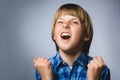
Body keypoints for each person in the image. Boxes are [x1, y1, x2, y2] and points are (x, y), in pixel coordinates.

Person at [33, 3, 110, 80]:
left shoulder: (100, 70)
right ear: (54, 35)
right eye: (60, 22)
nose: (65, 25)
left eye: (74, 22)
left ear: (86, 35)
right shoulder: (42, 69)